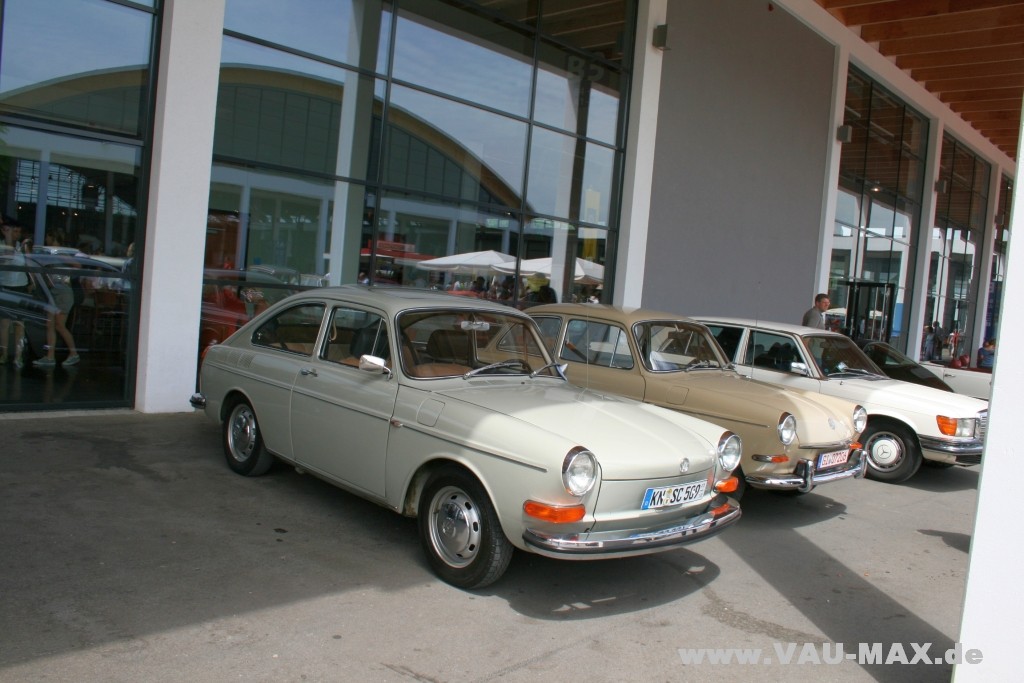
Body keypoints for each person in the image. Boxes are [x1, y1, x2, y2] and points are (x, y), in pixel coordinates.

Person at [32, 258, 80, 368]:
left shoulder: (61, 257)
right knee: (50, 325)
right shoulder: (48, 259)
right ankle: (50, 356)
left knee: (59, 325)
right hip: (52, 293)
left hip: (63, 294)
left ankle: (74, 353)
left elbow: (77, 265)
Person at [0, 216, 30, 368]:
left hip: (20, 286)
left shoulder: (22, 247)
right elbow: (6, 259)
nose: (16, 234)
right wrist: (8, 239)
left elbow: (29, 264)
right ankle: (4, 354)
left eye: (18, 231)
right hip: (5, 286)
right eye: (13, 231)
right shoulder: (2, 246)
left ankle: (18, 356)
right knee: (4, 323)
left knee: (19, 323)